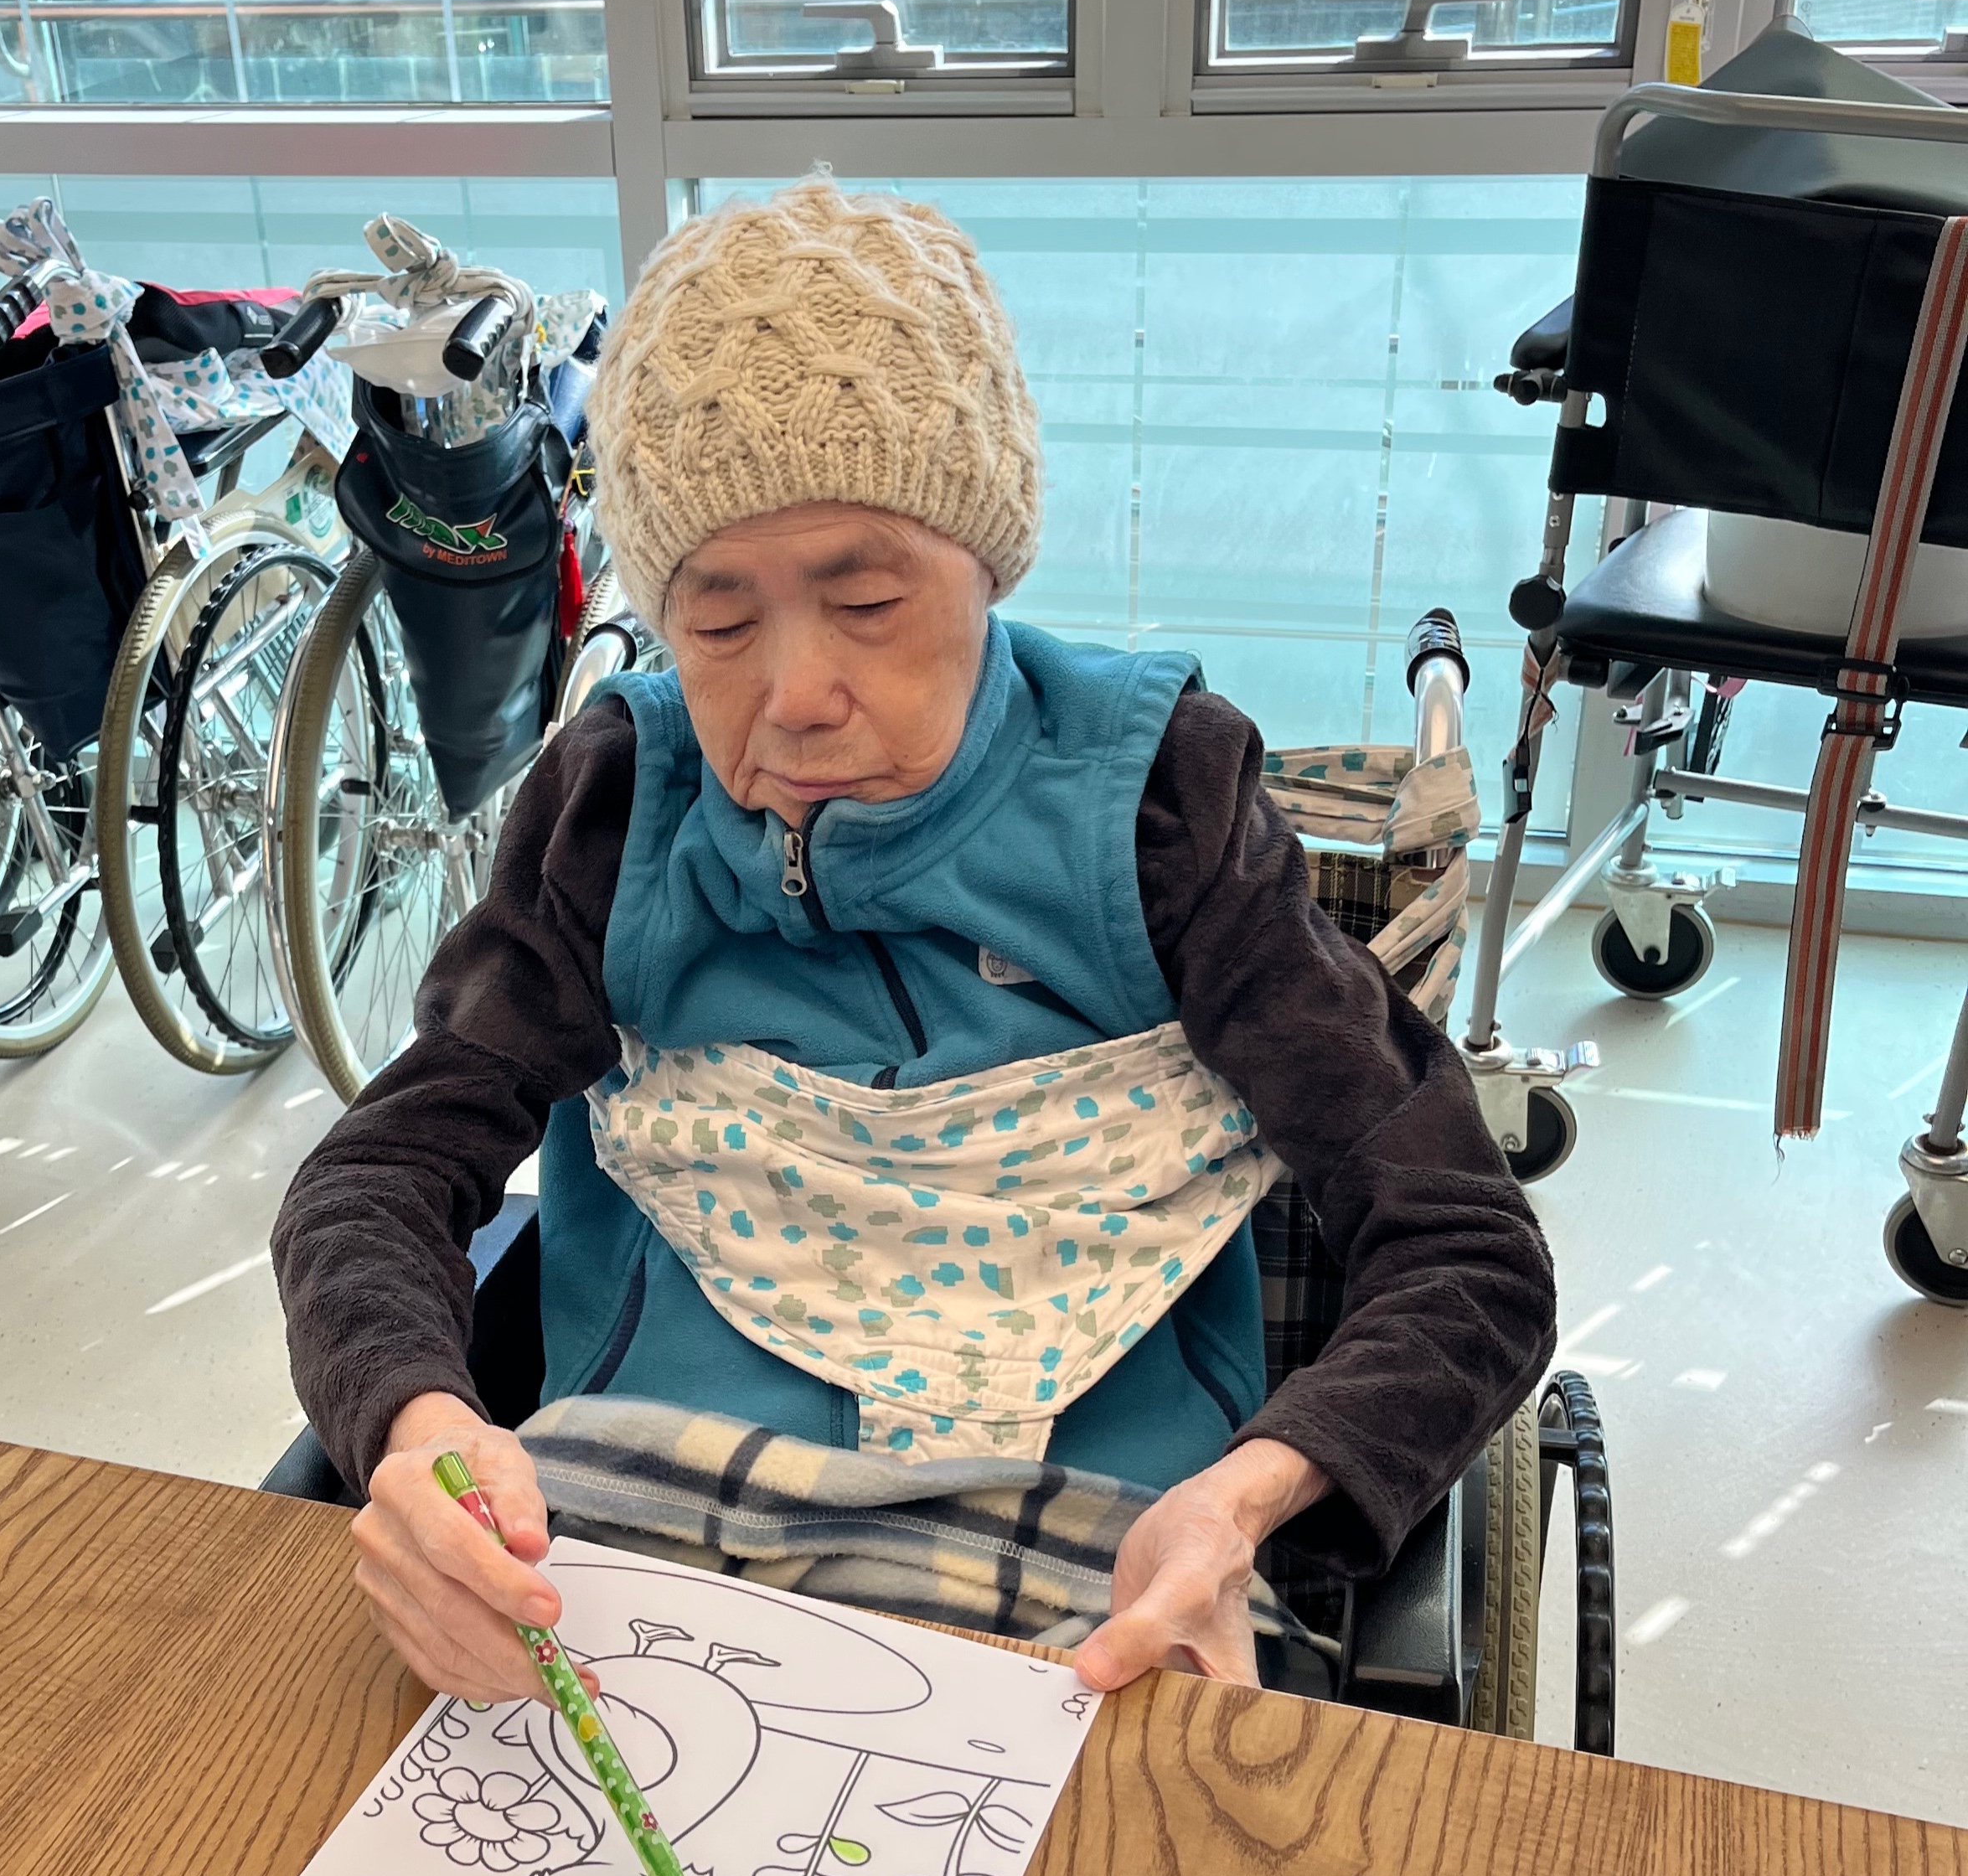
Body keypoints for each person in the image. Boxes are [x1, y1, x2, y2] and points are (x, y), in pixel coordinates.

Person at [273, 178, 1553, 1704]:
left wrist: (1248, 1500)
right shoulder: (617, 812)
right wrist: (419, 1430)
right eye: (718, 623)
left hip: (1095, 1575)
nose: (796, 695)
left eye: (869, 599)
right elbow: (375, 1176)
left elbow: (1470, 1253)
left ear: (988, 567)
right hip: (630, 1545)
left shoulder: (1158, 809)